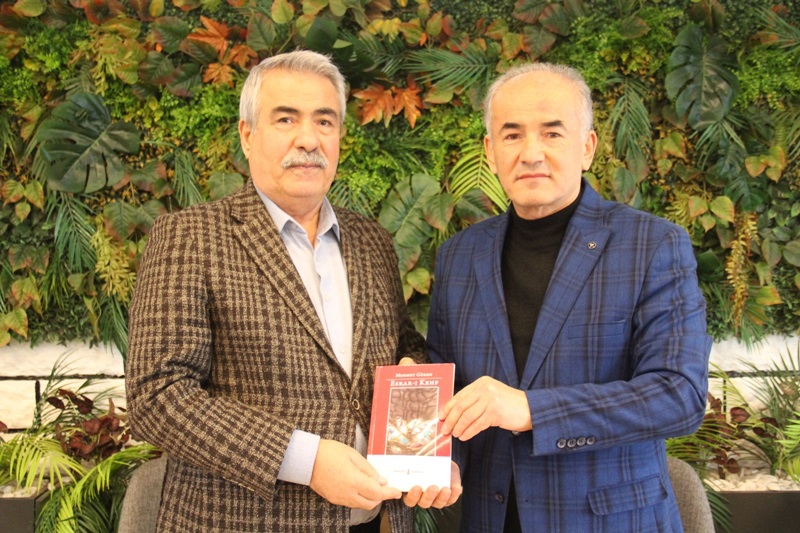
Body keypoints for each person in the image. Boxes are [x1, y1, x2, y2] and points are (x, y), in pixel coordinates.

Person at [126, 50, 459, 533]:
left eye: (324, 121)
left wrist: (422, 443)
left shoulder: (371, 240)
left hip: (378, 519)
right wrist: (307, 460)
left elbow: (403, 349)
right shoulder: (190, 237)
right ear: (247, 135)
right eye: (286, 119)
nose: (308, 138)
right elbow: (158, 396)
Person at [427, 62, 711, 532]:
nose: (531, 153)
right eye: (512, 135)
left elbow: (678, 395)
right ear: (490, 151)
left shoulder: (652, 245)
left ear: (587, 147)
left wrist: (531, 410)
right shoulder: (460, 255)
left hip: (610, 522)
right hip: (490, 518)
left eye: (552, 133)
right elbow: (448, 386)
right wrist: (445, 460)